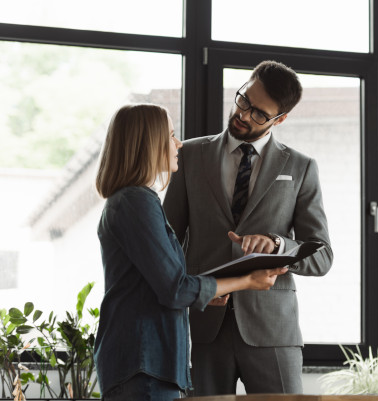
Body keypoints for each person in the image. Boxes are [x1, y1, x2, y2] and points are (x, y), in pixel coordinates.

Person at [93, 103, 288, 401]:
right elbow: (175, 289)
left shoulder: (131, 201)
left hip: (145, 365)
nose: (178, 144)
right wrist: (248, 281)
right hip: (144, 366)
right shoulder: (136, 202)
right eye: (170, 136)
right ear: (149, 143)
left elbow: (155, 286)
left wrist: (208, 292)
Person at [163, 60, 334, 395]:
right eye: (243, 100)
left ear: (280, 119)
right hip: (203, 328)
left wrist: (277, 245)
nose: (243, 114)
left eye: (259, 113)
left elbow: (322, 256)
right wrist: (188, 291)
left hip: (273, 331)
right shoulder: (190, 156)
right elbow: (167, 241)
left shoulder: (300, 168)